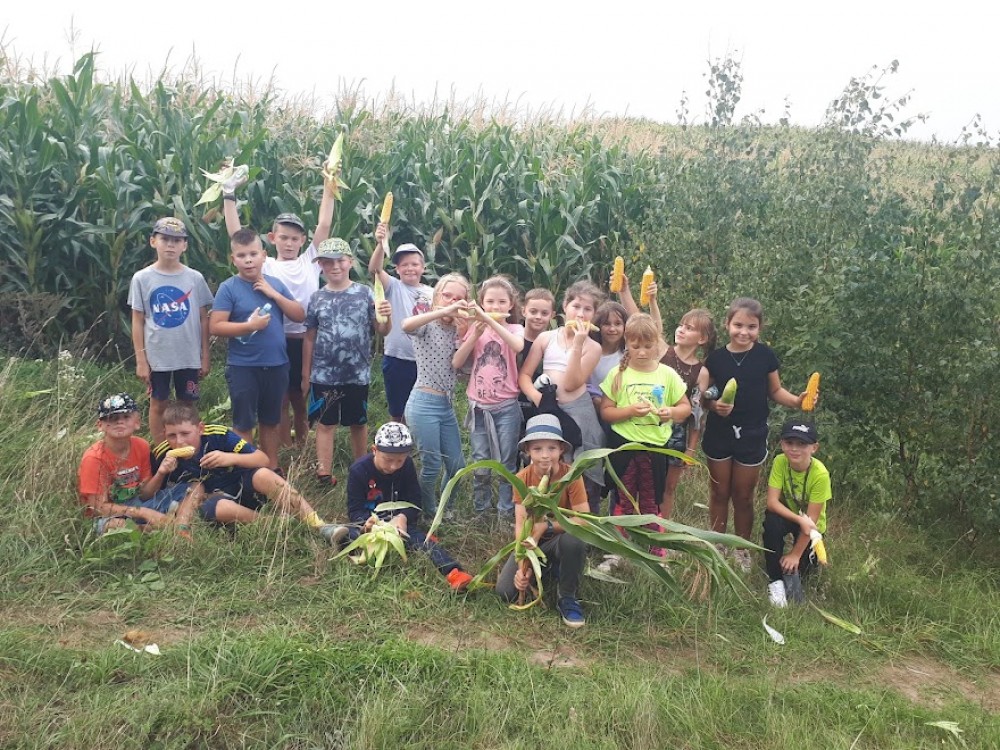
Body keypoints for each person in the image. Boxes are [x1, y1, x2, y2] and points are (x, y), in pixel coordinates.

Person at [223, 172, 337, 448]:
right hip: (276, 340)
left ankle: (303, 444)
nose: (289, 243)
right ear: (272, 238)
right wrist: (228, 194)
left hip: (306, 339)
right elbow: (237, 236)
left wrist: (329, 182)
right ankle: (284, 446)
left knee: (302, 395)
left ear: (303, 240)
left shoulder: (310, 260)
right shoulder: (266, 264)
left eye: (295, 239)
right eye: (284, 237)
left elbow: (324, 223)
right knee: (282, 398)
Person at [697, 297, 809, 572]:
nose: (744, 332)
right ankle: (718, 544)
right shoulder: (716, 359)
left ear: (759, 328)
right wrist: (714, 405)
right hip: (719, 433)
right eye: (738, 325)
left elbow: (775, 391)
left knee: (744, 496)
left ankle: (741, 548)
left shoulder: (765, 356)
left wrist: (797, 401)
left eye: (751, 327)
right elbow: (704, 396)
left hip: (752, 433)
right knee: (719, 492)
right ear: (727, 324)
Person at [150, 401, 347, 543]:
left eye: (185, 434)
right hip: (215, 503)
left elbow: (263, 459)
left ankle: (319, 525)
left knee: (264, 474)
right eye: (172, 436)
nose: (179, 441)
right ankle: (277, 525)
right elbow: (149, 494)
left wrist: (230, 458)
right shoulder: (162, 454)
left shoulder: (218, 435)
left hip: (244, 488)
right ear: (164, 434)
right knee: (216, 507)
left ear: (200, 429)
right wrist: (161, 473)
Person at [209, 228, 305, 473]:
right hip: (243, 366)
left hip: (276, 364)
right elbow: (216, 326)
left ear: (263, 255)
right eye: (242, 256)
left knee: (270, 420)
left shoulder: (275, 284)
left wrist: (274, 295)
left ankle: (270, 468)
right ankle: (246, 472)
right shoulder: (229, 288)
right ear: (233, 259)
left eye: (253, 254)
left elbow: (299, 315)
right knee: (243, 422)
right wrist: (249, 326)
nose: (248, 260)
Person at [598, 314, 691, 565]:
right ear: (626, 342)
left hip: (656, 447)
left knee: (652, 499)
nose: (641, 352)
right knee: (623, 497)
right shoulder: (618, 374)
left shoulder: (667, 374)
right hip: (624, 445)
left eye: (648, 346)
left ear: (657, 343)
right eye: (635, 345)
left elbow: (685, 408)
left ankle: (656, 549)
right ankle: (619, 550)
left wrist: (671, 412)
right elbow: (606, 412)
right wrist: (629, 411)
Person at [302, 238, 392, 486]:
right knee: (325, 423)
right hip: (323, 374)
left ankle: (361, 469)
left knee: (358, 423)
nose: (335, 266)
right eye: (327, 262)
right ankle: (323, 474)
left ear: (350, 262)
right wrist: (305, 373)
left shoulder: (365, 293)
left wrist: (387, 316)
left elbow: (382, 330)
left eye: (340, 261)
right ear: (320, 265)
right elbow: (309, 337)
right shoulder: (317, 298)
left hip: (357, 373)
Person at [345, 422, 474, 590]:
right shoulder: (358, 470)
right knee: (350, 534)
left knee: (420, 542)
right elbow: (355, 510)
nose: (393, 466)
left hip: (400, 524)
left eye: (400, 460)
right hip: (372, 525)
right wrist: (367, 522)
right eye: (388, 460)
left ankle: (454, 572)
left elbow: (414, 501)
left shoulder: (406, 466)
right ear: (374, 450)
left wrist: (403, 517)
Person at [518, 280, 607, 512]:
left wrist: (578, 344)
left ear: (594, 315)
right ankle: (546, 514)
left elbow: (571, 383)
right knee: (548, 461)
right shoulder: (546, 338)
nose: (581, 314)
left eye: (588, 309)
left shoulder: (593, 347)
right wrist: (538, 399)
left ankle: (585, 518)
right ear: (565, 307)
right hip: (548, 409)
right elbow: (524, 376)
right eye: (576, 306)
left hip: (579, 410)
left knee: (583, 466)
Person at [496, 414, 590, 628]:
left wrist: (546, 527)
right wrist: (523, 565)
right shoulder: (521, 479)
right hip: (532, 543)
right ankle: (548, 569)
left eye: (551, 448)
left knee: (574, 540)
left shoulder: (571, 476)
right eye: (537, 449)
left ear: (561, 449)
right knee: (505, 592)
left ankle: (567, 596)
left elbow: (583, 519)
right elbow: (521, 525)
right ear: (527, 450)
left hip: (560, 539)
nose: (545, 455)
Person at [128, 217, 214, 444]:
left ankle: (189, 447)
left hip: (188, 355)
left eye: (176, 240)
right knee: (158, 403)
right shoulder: (142, 278)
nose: (170, 245)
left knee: (188, 403)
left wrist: (205, 356)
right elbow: (137, 320)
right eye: (165, 239)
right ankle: (161, 451)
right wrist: (141, 360)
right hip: (158, 357)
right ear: (153, 241)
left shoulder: (194, 278)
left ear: (185, 245)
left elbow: (203, 319)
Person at [452, 276, 524, 521]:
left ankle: (505, 512)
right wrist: (475, 333)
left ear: (511, 304)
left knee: (506, 462)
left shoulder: (515, 329)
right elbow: (457, 362)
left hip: (507, 407)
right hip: (479, 408)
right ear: (482, 303)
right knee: (481, 461)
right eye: (490, 302)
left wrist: (490, 321)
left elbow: (517, 346)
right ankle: (481, 511)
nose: (495, 306)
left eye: (502, 302)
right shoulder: (475, 329)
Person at [400, 273, 472, 518]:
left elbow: (462, 371)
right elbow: (406, 325)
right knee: (431, 465)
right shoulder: (427, 324)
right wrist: (442, 311)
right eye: (447, 295)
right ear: (437, 297)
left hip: (446, 405)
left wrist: (466, 335)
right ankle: (428, 513)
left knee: (457, 466)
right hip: (423, 403)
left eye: (459, 298)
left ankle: (445, 509)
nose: (452, 301)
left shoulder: (458, 330)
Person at [77, 393, 192, 536]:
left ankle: (181, 525)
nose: (119, 422)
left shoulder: (141, 445)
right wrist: (143, 512)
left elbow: (145, 494)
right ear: (100, 425)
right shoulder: (94, 458)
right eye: (112, 418)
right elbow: (98, 508)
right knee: (116, 526)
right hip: (109, 515)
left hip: (138, 502)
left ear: (137, 422)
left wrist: (161, 473)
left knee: (192, 488)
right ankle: (155, 528)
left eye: (126, 417)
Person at [368, 223, 433, 422]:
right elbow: (374, 269)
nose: (409, 268)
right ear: (397, 269)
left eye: (414, 264)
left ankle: (417, 440)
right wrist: (381, 243)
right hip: (397, 359)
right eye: (404, 265)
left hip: (425, 361)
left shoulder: (433, 293)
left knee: (422, 411)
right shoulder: (394, 287)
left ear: (423, 268)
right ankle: (397, 439)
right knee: (398, 411)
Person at [763, 419, 831, 607]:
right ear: (782, 444)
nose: (794, 449)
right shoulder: (780, 461)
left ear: (814, 448)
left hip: (812, 526)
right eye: (789, 442)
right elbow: (772, 503)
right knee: (771, 523)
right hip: (789, 516)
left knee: (804, 571)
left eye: (802, 444)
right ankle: (775, 580)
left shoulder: (820, 475)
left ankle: (796, 566)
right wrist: (798, 519)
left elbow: (812, 521)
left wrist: (795, 554)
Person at [659, 308, 716, 519]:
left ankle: (661, 531)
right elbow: (643, 320)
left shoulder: (701, 372)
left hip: (677, 434)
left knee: (668, 487)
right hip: (649, 424)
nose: (681, 330)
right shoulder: (662, 352)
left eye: (689, 328)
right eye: (681, 325)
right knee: (644, 482)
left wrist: (691, 449)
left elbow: (697, 415)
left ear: (702, 339)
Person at [517, 288, 556, 424]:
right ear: (524, 311)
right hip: (513, 403)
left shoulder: (555, 343)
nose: (538, 317)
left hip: (542, 404)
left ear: (552, 315)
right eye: (533, 311)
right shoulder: (513, 338)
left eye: (544, 313)